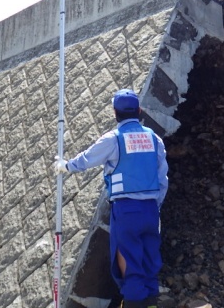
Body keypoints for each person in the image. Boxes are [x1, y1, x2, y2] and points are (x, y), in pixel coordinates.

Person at [54, 89, 168, 308]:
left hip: (126, 210)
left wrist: (66, 165)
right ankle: (152, 304)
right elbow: (163, 177)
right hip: (151, 209)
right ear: (139, 110)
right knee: (149, 260)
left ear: (115, 112)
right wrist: (156, 204)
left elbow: (88, 158)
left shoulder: (114, 139)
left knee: (129, 259)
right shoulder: (154, 139)